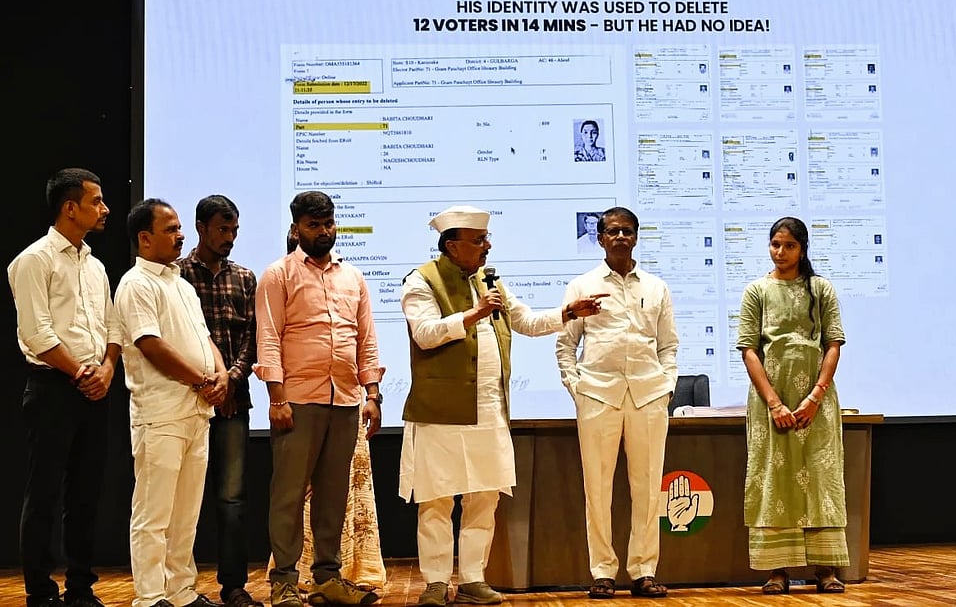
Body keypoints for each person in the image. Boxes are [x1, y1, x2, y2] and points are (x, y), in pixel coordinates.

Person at [400, 205, 605, 607]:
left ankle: (474, 577)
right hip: (440, 411)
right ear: (452, 245)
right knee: (437, 498)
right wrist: (475, 313)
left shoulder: (488, 280)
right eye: (478, 241)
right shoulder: (420, 281)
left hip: (490, 409)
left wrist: (568, 313)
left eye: (486, 239)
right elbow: (424, 334)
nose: (487, 246)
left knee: (485, 496)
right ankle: (437, 583)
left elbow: (525, 322)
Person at [255, 191, 384, 607]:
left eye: (328, 223)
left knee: (334, 495)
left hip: (345, 400)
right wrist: (277, 397)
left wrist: (373, 393)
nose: (324, 231)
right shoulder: (278, 274)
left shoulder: (353, 277)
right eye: (314, 225)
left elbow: (366, 338)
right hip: (297, 400)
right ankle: (285, 581)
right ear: (296, 229)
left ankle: (328, 577)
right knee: (289, 495)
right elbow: (269, 337)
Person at [8, 168, 122, 607]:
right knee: (44, 492)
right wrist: (81, 373)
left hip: (95, 387)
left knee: (87, 492)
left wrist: (108, 369)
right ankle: (40, 590)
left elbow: (113, 325)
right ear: (69, 208)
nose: (105, 209)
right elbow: (36, 333)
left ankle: (80, 586)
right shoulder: (33, 260)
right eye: (97, 201)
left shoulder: (95, 265)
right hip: (54, 387)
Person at [555, 206, 679, 599]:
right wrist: (578, 389)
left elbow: (668, 345)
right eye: (613, 231)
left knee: (647, 489)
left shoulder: (656, 287)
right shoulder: (582, 286)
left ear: (637, 236)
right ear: (601, 238)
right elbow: (566, 345)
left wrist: (667, 387)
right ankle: (602, 571)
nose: (621, 237)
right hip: (597, 394)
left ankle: (644, 571)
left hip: (647, 395)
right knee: (598, 486)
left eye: (627, 230)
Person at [115, 198, 228, 607]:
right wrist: (202, 379)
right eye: (170, 229)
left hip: (196, 411)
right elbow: (149, 344)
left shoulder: (180, 284)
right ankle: (149, 596)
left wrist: (220, 374)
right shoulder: (135, 283)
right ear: (145, 238)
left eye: (180, 227)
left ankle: (180, 591)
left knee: (185, 514)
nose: (181, 235)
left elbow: (206, 339)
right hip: (160, 413)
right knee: (153, 513)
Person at [736, 216, 847, 595]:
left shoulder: (821, 289)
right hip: (771, 398)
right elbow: (750, 350)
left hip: (817, 401)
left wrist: (815, 396)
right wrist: (774, 403)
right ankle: (777, 571)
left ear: (802, 249)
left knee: (820, 477)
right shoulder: (756, 290)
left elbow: (833, 344)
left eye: (788, 246)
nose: (780, 252)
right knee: (774, 479)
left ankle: (826, 569)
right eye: (775, 244)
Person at [177, 195, 261, 607]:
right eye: (222, 230)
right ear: (200, 227)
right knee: (181, 498)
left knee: (231, 499)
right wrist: (208, 383)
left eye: (234, 230)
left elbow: (252, 338)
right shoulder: (176, 276)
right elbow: (175, 340)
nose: (229, 238)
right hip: (186, 401)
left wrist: (231, 378)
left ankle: (234, 586)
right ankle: (178, 586)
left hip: (233, 402)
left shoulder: (244, 278)